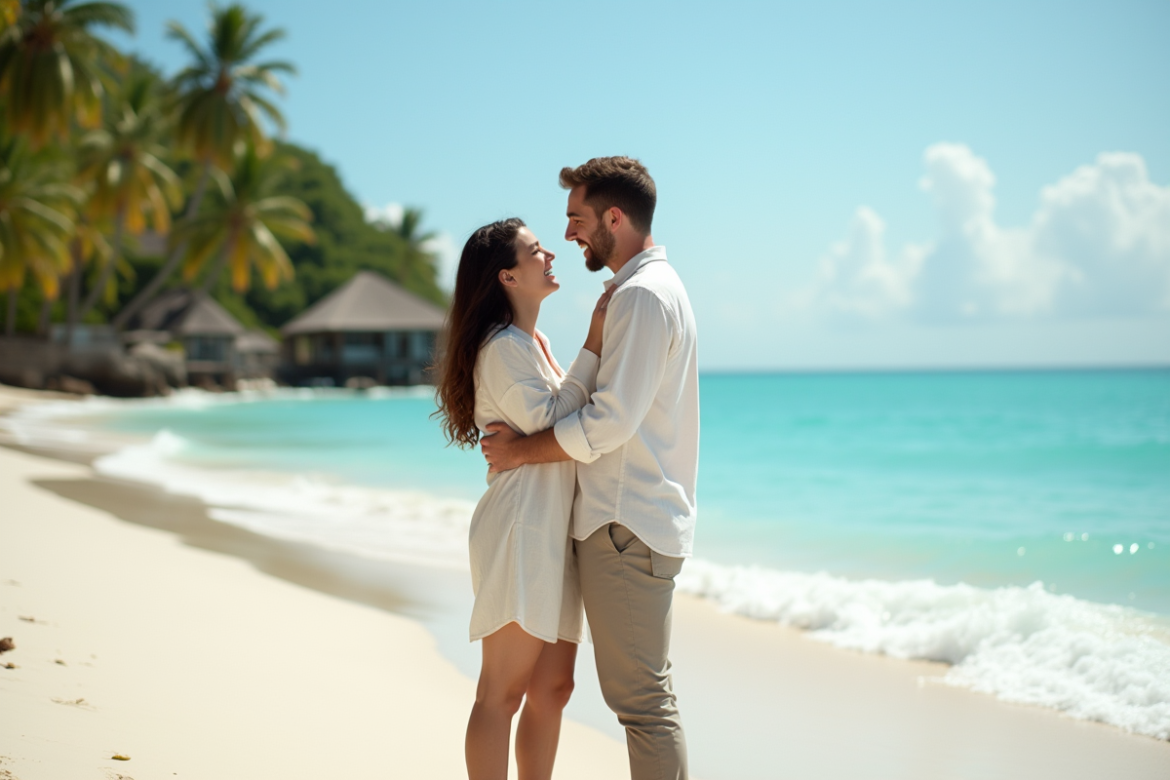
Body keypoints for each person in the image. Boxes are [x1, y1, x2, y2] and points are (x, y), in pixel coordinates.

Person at [481, 157, 699, 780]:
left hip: (625, 524)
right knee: (642, 700)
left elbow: (609, 423)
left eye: (576, 220)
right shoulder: (646, 292)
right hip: (626, 522)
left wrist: (520, 452)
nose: (570, 235)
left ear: (613, 217)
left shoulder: (641, 296)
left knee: (644, 706)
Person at [433, 217, 614, 780]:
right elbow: (556, 421)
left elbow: (561, 422)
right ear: (507, 276)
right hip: (520, 528)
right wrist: (594, 344)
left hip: (553, 531)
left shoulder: (533, 343)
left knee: (555, 688)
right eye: (536, 252)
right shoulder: (502, 348)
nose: (550, 256)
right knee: (502, 693)